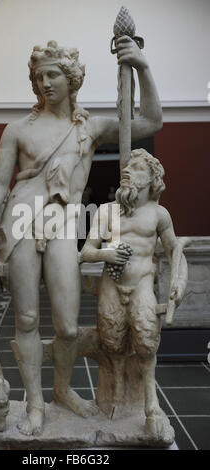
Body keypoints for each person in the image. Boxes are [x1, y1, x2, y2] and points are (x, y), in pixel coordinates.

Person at [0, 38, 163, 436]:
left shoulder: (89, 127)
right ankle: (36, 404)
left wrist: (141, 66)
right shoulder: (18, 130)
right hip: (20, 224)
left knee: (68, 326)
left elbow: (150, 121)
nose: (45, 83)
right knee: (26, 318)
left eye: (53, 74)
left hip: (63, 225)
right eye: (39, 77)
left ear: (72, 79)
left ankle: (61, 390)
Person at [80, 148, 188, 434]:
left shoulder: (158, 214)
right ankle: (116, 391)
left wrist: (179, 281)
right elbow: (85, 252)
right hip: (111, 284)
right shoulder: (105, 212)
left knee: (146, 340)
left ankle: (150, 403)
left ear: (152, 180)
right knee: (112, 341)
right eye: (127, 167)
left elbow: (175, 249)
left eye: (137, 169)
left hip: (141, 282)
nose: (127, 171)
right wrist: (107, 255)